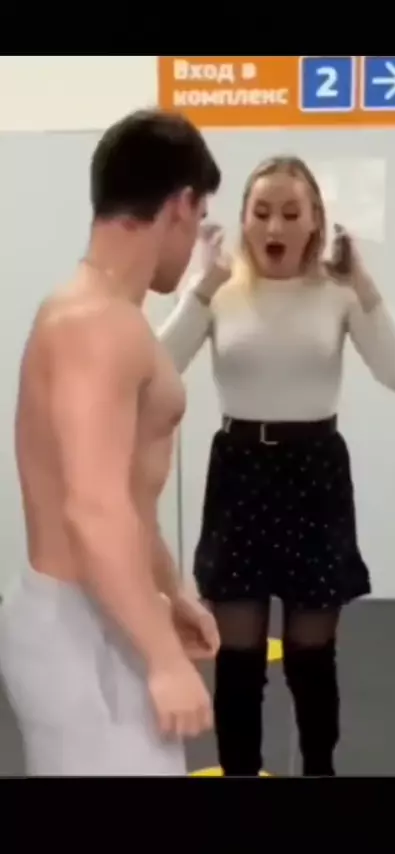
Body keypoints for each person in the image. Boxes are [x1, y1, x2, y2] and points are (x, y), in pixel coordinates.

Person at [158, 155, 395, 777]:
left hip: (315, 477)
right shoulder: (221, 289)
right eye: (261, 211)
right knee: (239, 661)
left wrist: (366, 285)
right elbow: (155, 366)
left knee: (311, 657)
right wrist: (201, 285)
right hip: (240, 475)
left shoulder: (336, 292)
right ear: (245, 219)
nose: (274, 225)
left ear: (314, 223)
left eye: (290, 212)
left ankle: (319, 771)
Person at [0, 108, 222, 776]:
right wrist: (163, 658)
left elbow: (126, 494)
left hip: (103, 614)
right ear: (181, 205)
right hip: (78, 629)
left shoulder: (104, 316)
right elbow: (93, 508)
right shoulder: (96, 323)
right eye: (200, 216)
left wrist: (168, 591)